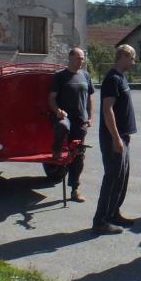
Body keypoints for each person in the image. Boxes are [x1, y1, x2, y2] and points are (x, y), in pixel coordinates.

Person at [92, 44, 138, 236]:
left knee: (121, 178)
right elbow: (107, 110)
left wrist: (125, 135)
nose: (133, 62)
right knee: (111, 179)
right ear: (123, 57)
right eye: (132, 58)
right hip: (114, 139)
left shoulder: (121, 77)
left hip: (122, 137)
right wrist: (116, 137)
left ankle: (113, 213)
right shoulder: (112, 79)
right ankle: (100, 221)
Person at [48, 47, 95, 202]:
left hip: (80, 120)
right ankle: (56, 151)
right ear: (70, 58)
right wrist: (57, 111)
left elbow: (89, 98)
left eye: (82, 58)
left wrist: (90, 117)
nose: (81, 61)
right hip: (65, 117)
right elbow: (52, 98)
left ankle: (75, 189)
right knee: (62, 126)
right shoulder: (60, 76)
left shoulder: (85, 75)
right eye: (78, 58)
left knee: (78, 155)